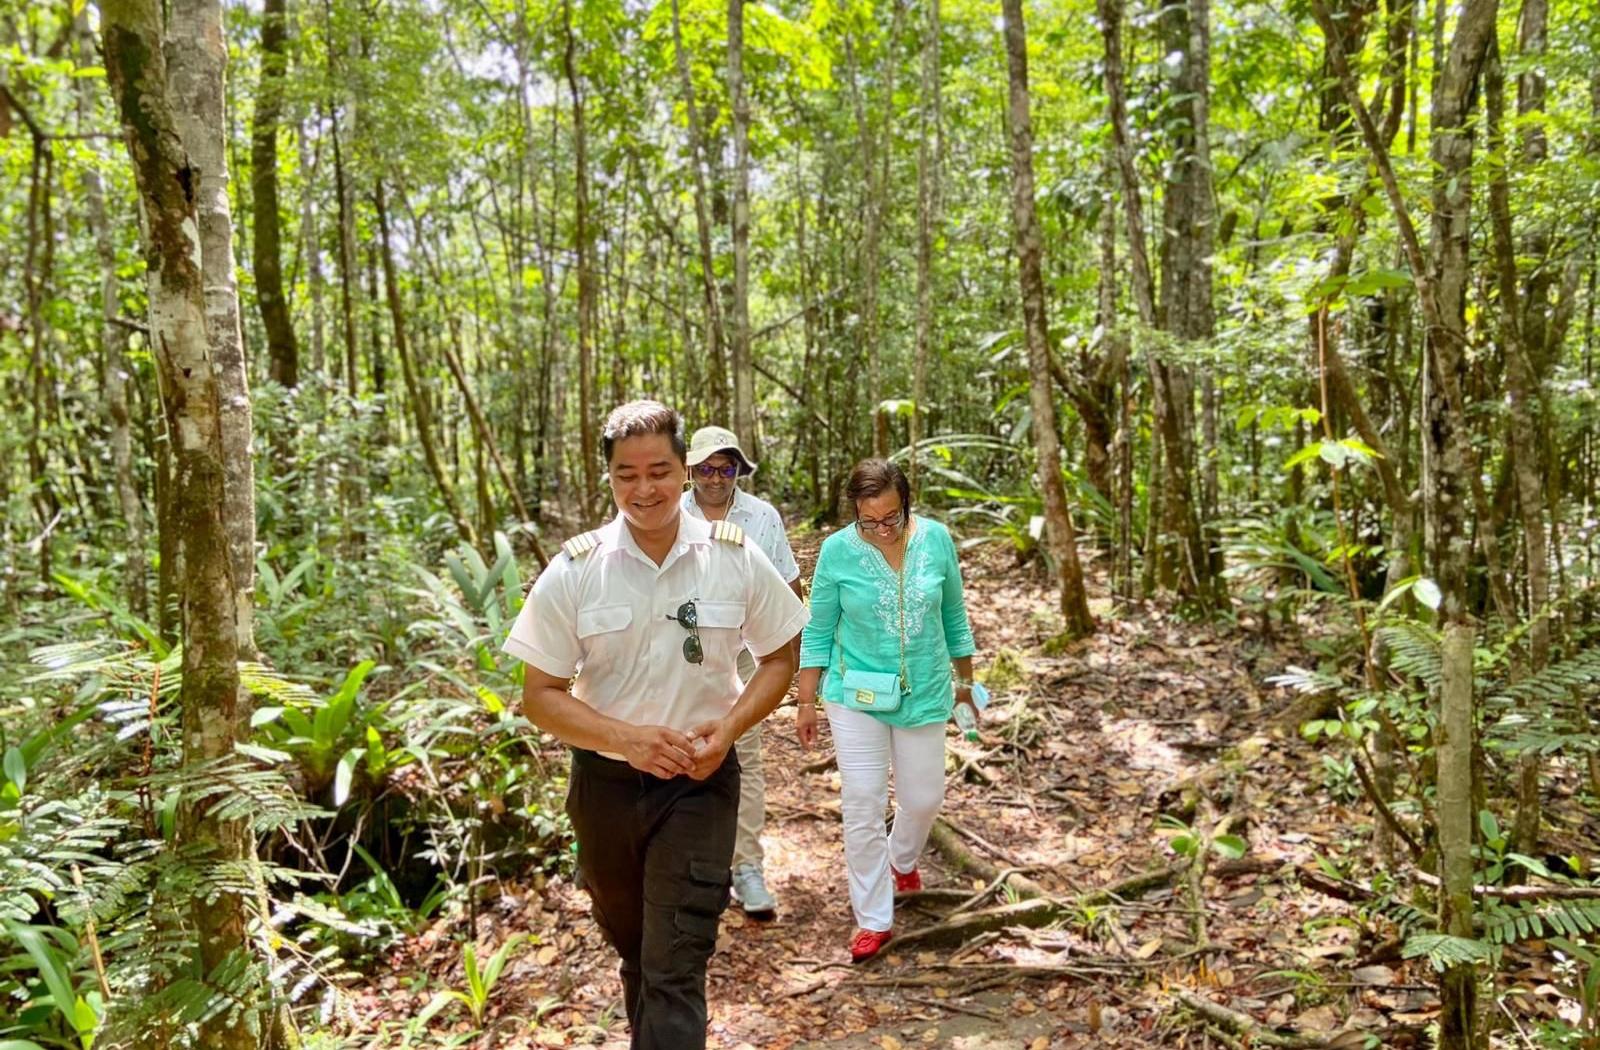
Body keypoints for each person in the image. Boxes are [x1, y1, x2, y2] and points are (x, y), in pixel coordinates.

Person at [504, 400, 809, 1049]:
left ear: (686, 471)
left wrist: (726, 730)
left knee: (675, 965)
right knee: (639, 955)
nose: (645, 490)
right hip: (605, 791)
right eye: (627, 474)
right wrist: (626, 740)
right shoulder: (575, 570)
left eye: (660, 472)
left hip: (700, 786)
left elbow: (782, 658)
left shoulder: (734, 556)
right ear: (610, 479)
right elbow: (539, 694)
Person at [794, 458, 978, 963]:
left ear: (906, 506)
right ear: (854, 513)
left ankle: (902, 858)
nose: (879, 529)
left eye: (890, 518)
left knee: (923, 798)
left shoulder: (936, 540)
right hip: (855, 691)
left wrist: (966, 685)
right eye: (867, 520)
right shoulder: (837, 551)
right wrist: (805, 699)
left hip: (924, 688)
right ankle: (874, 917)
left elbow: (954, 616)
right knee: (863, 800)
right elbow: (818, 628)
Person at [680, 425, 803, 920]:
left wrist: (795, 664)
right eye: (706, 468)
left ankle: (746, 866)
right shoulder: (669, 511)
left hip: (745, 651)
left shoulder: (761, 517)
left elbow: (789, 587)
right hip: (680, 648)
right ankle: (690, 865)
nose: (715, 477)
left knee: (742, 753)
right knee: (678, 747)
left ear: (738, 471)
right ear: (690, 471)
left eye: (725, 467)